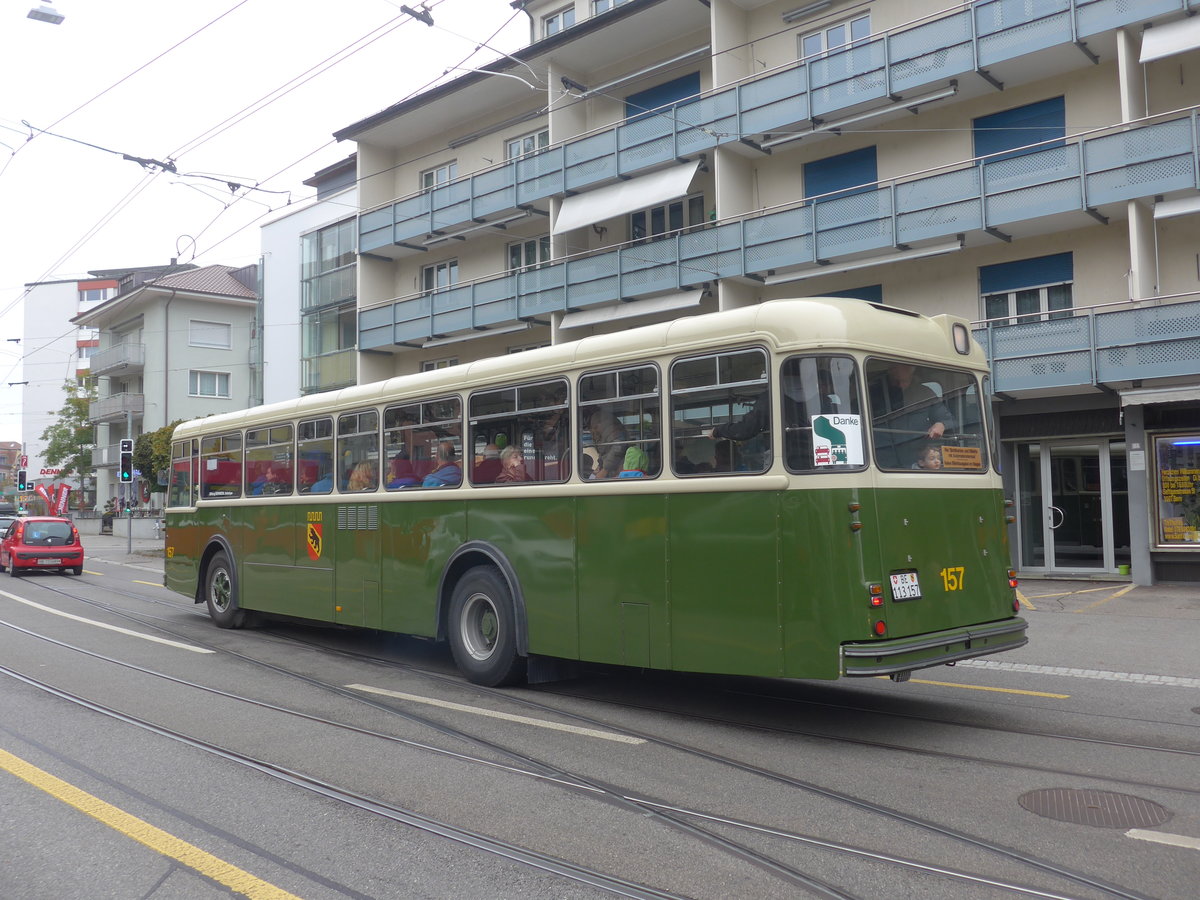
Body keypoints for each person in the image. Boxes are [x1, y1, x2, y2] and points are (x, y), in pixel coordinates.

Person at [869, 363, 956, 467]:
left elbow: (947, 418)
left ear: (911, 370)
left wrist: (941, 424)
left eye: (904, 381)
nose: (893, 369)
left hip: (917, 458)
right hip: (882, 456)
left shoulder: (925, 393)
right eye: (892, 367)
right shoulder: (875, 392)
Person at [585, 407, 627, 479]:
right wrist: (600, 466)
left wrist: (605, 470)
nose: (594, 430)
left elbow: (617, 450)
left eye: (595, 427)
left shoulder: (614, 431)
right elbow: (604, 453)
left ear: (601, 423)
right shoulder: (602, 434)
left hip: (618, 467)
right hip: (610, 468)